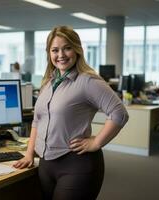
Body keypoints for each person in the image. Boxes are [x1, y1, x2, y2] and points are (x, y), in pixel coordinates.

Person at [13, 25, 129, 200]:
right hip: (46, 164)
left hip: (76, 165)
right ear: (49, 54)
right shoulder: (48, 83)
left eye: (67, 48)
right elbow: (37, 121)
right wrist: (30, 153)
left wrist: (96, 142)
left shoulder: (87, 81)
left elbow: (119, 113)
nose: (61, 55)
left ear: (77, 50)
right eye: (55, 50)